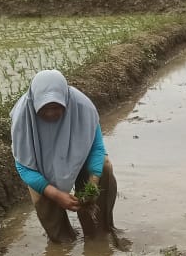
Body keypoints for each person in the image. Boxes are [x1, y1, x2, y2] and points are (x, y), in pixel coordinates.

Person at [10, 69, 117, 243]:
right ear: (35, 103)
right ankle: (64, 240)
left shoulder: (83, 107)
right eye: (45, 108)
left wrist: (93, 182)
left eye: (57, 107)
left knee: (104, 166)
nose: (51, 113)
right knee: (57, 234)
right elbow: (24, 166)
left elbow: (97, 148)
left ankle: (97, 234)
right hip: (42, 169)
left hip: (80, 160)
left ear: (66, 101)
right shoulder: (22, 116)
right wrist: (56, 194)